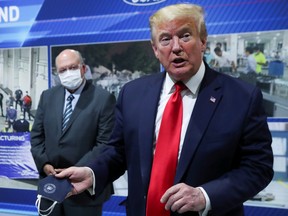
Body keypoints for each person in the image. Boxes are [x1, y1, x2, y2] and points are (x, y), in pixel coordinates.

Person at [56, 3, 273, 216]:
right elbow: (118, 152)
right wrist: (93, 173)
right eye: (166, 39)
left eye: (185, 36)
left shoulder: (241, 97)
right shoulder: (133, 93)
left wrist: (205, 196)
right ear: (155, 49)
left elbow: (258, 168)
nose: (176, 47)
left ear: (203, 41)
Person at [30, 49, 116, 216]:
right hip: (50, 185)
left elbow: (104, 143)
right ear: (57, 74)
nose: (68, 73)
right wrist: (45, 164)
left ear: (83, 69)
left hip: (84, 191)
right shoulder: (47, 96)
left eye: (72, 67)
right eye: (62, 70)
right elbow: (36, 136)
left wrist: (75, 171)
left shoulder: (103, 98)